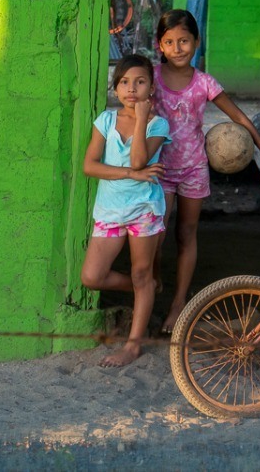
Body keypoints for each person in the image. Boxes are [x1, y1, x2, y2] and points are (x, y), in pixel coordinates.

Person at [153, 9, 260, 334]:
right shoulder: (151, 77)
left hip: (194, 168)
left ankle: (179, 303)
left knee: (186, 234)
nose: (178, 47)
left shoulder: (204, 83)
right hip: (159, 168)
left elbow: (238, 117)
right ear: (160, 45)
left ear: (196, 42)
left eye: (184, 40)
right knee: (156, 232)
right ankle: (153, 278)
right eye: (170, 41)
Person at [80, 54, 171, 367]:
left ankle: (133, 346)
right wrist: (132, 175)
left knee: (141, 272)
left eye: (140, 82)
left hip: (144, 208)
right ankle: (143, 289)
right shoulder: (105, 121)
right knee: (92, 276)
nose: (132, 88)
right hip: (110, 210)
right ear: (116, 88)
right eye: (124, 82)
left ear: (151, 88)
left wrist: (142, 119)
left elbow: (138, 160)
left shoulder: (158, 124)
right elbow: (90, 166)